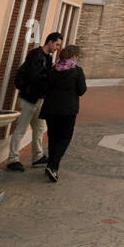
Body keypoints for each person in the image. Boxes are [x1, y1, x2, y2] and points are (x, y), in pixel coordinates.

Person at [7, 31, 62, 171]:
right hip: (29, 98)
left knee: (39, 128)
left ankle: (38, 157)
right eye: (57, 44)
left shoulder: (48, 58)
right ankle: (12, 159)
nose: (57, 48)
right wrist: (51, 71)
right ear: (50, 41)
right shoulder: (35, 55)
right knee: (21, 129)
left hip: (40, 99)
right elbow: (34, 76)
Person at [41, 44, 87, 183]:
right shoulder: (77, 71)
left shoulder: (53, 69)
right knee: (65, 137)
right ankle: (53, 166)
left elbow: (46, 86)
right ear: (73, 56)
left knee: (53, 136)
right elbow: (81, 90)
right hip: (68, 110)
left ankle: (50, 164)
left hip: (50, 108)